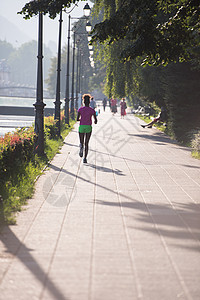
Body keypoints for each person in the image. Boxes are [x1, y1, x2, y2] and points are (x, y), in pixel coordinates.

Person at [77, 94, 97, 163]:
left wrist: (81, 119)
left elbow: (77, 119)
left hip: (81, 126)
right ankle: (85, 158)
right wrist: (93, 120)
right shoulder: (92, 110)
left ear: (83, 101)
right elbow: (96, 120)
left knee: (81, 142)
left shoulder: (80, 109)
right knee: (86, 143)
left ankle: (81, 147)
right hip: (88, 127)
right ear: (89, 102)